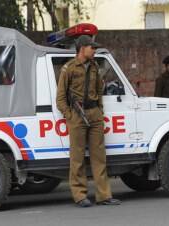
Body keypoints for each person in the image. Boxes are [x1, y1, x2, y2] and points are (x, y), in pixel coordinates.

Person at [56, 35, 121, 208]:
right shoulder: (69, 68)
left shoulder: (94, 67)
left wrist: (99, 110)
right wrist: (70, 116)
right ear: (82, 48)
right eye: (92, 47)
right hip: (77, 114)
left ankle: (104, 195)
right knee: (77, 158)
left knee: (99, 157)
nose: (94, 50)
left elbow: (99, 90)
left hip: (94, 114)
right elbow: (61, 97)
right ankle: (80, 195)